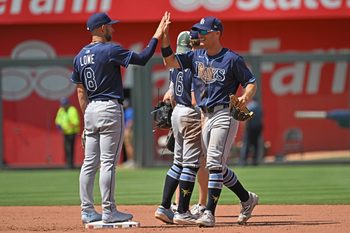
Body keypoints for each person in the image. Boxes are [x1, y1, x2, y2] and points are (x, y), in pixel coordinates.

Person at [161, 13, 259, 227]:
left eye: (204, 31)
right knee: (219, 167)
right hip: (204, 115)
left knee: (213, 162)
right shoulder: (196, 57)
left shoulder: (232, 59)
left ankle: (208, 213)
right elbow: (169, 60)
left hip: (225, 113)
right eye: (199, 31)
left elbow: (251, 82)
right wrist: (165, 36)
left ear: (217, 33)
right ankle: (247, 199)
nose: (199, 35)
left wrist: (245, 97)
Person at [70, 12, 166, 224]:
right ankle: (109, 210)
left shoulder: (79, 56)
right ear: (102, 28)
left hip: (91, 110)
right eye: (110, 26)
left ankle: (87, 211)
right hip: (109, 108)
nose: (113, 29)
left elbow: (80, 91)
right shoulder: (110, 49)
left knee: (88, 164)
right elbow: (142, 59)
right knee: (108, 164)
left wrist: (86, 119)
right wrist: (157, 35)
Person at [155, 30, 202, 225]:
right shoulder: (193, 64)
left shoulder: (174, 66)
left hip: (177, 113)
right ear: (193, 45)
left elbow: (169, 97)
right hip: (190, 114)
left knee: (178, 163)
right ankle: (183, 210)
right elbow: (193, 99)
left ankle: (164, 206)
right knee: (190, 165)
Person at [55, 97, 80, 169]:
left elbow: (75, 122)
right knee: (66, 148)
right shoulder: (61, 110)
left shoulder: (72, 110)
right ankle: (68, 164)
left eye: (65, 105)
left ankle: (71, 164)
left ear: (68, 104)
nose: (63, 106)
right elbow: (57, 120)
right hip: (65, 132)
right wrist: (59, 126)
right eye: (63, 105)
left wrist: (67, 127)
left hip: (72, 132)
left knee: (70, 148)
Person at [239, 98, 264, 166]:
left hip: (250, 128)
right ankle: (255, 160)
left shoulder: (250, 106)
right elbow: (261, 117)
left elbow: (246, 117)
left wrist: (244, 127)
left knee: (246, 144)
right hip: (258, 127)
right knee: (256, 144)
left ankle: (244, 161)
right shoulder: (259, 107)